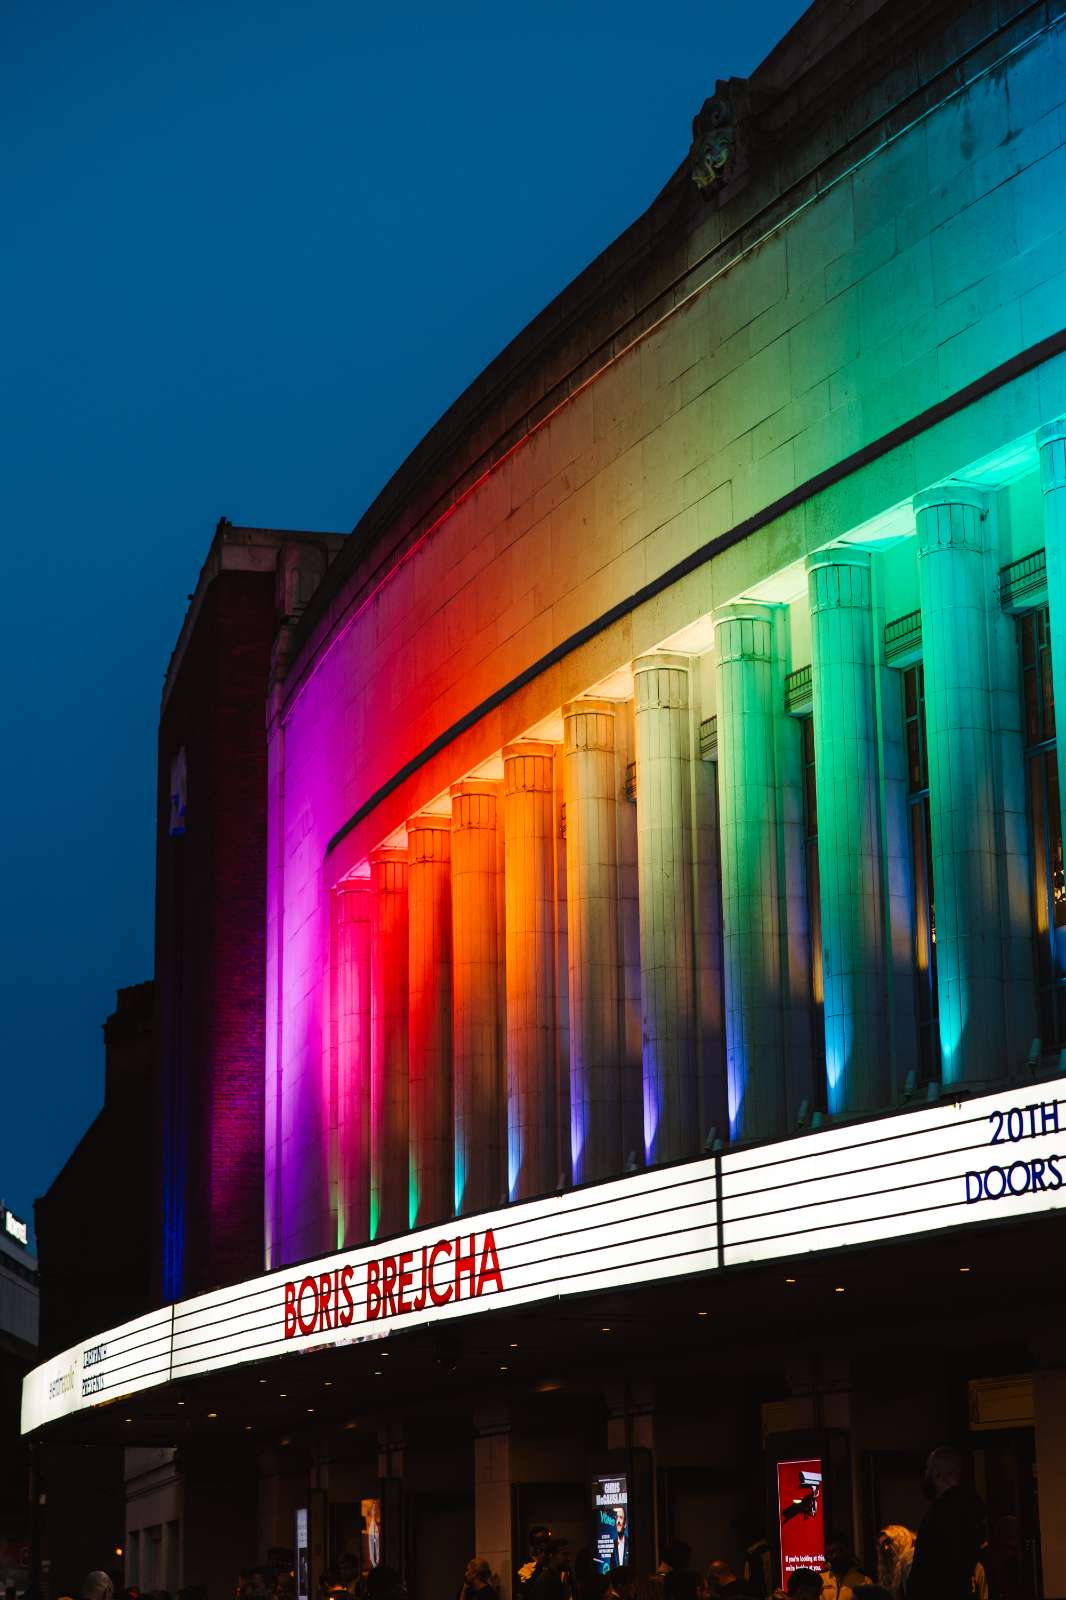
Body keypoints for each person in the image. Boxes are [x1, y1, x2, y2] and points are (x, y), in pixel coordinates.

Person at [907, 1446, 985, 1600]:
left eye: (927, 1468)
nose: (925, 1474)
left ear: (937, 1473)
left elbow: (931, 1567)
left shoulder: (940, 1515)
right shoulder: (971, 1510)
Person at [820, 1534, 869, 1600]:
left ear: (848, 1550)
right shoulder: (819, 1580)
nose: (835, 1556)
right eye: (830, 1553)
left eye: (838, 1551)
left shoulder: (865, 1582)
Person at [874, 1527, 914, 1600]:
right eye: (882, 1545)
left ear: (900, 1540)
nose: (886, 1548)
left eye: (888, 1542)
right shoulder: (892, 1566)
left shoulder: (910, 1560)